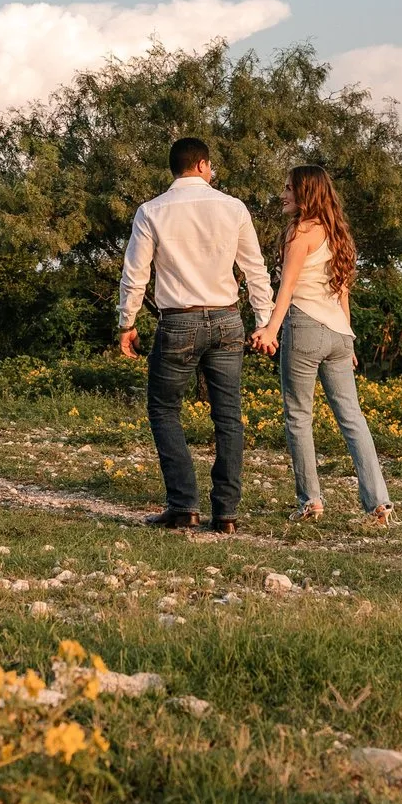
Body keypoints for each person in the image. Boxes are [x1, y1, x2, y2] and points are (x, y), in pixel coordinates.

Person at [117, 137, 273, 532]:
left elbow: (136, 274)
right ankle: (226, 514)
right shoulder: (233, 207)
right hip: (226, 319)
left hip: (179, 321)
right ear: (202, 165)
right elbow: (255, 269)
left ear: (175, 168)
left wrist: (127, 323)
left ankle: (184, 505)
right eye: (211, 165)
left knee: (165, 409)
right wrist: (264, 321)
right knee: (228, 417)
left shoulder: (151, 211)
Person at [249, 164, 394, 525]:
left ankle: (310, 501)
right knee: (352, 418)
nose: (283, 194)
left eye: (288, 188)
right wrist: (350, 336)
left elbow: (288, 287)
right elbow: (342, 289)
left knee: (298, 415)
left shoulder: (300, 232)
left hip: (306, 327)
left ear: (306, 193)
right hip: (339, 333)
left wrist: (270, 329)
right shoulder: (338, 233)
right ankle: (379, 503)